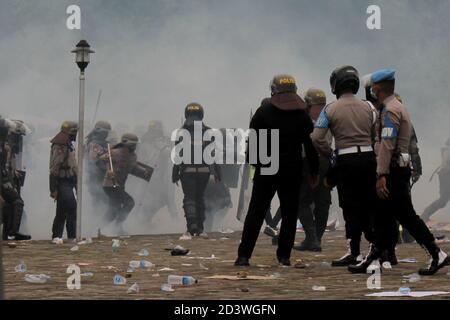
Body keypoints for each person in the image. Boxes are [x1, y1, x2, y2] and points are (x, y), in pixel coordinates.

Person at [348, 69, 449, 275]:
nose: (372, 91)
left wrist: (381, 175)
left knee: (404, 216)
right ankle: (374, 256)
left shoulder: (390, 111)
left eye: (373, 88)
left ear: (379, 88)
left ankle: (436, 253)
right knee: (384, 215)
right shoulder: (397, 106)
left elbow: (387, 144)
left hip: (393, 172)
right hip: (397, 170)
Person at [235, 74, 319, 267]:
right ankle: (284, 256)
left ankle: (244, 256)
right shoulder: (302, 115)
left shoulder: (263, 112)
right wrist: (313, 171)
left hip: (267, 166)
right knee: (290, 214)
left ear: (273, 90)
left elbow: (253, 146)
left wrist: (255, 167)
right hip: (292, 168)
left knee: (255, 212)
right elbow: (309, 145)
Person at [311, 65, 378, 267]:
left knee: (349, 206)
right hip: (368, 159)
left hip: (345, 161)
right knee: (368, 205)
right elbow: (376, 133)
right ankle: (377, 247)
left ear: (336, 84)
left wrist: (329, 153)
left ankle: (354, 251)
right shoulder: (369, 107)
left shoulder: (329, 109)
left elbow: (316, 137)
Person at [172, 103, 221, 239]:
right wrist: (217, 172)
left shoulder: (181, 132)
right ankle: (200, 227)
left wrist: (174, 173)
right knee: (199, 197)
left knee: (189, 198)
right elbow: (214, 154)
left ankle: (192, 225)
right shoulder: (208, 131)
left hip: (187, 171)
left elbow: (177, 155)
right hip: (204, 171)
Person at [294, 88, 332, 252]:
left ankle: (315, 238)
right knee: (303, 201)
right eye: (317, 106)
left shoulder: (329, 118)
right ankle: (312, 238)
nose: (319, 109)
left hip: (320, 162)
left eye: (322, 105)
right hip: (307, 163)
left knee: (322, 202)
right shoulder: (301, 119)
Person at [98, 133, 152, 235]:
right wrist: (108, 170)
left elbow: (133, 168)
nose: (134, 147)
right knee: (129, 202)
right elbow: (99, 160)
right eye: (133, 144)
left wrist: (144, 171)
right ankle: (118, 226)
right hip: (110, 185)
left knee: (114, 208)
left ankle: (101, 228)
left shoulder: (132, 156)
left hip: (120, 185)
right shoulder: (114, 152)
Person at [136, 120, 178, 224]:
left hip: (151, 176)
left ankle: (143, 221)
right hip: (156, 177)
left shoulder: (144, 142)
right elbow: (169, 153)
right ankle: (176, 222)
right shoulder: (156, 142)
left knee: (156, 200)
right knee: (165, 199)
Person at [1, 119, 31, 240]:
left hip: (7, 179)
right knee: (17, 202)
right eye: (17, 136)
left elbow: (7, 166)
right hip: (3, 180)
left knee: (9, 206)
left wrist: (14, 173)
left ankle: (7, 234)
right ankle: (12, 232)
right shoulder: (5, 148)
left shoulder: (7, 148)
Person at [49, 121, 78, 242]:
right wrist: (53, 189)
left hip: (69, 180)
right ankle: (70, 236)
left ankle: (57, 236)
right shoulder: (60, 145)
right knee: (71, 208)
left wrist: (77, 183)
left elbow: (73, 165)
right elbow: (54, 167)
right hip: (62, 181)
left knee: (62, 211)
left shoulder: (68, 144)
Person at [421, 138, 450, 222]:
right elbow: (446, 164)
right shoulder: (447, 151)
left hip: (445, 175)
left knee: (443, 200)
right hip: (446, 176)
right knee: (443, 200)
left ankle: (425, 214)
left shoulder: (446, 151)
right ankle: (425, 214)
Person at [85, 121, 112, 207]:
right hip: (97, 178)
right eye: (106, 132)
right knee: (100, 204)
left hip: (100, 178)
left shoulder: (101, 143)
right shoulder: (95, 144)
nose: (107, 134)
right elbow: (94, 161)